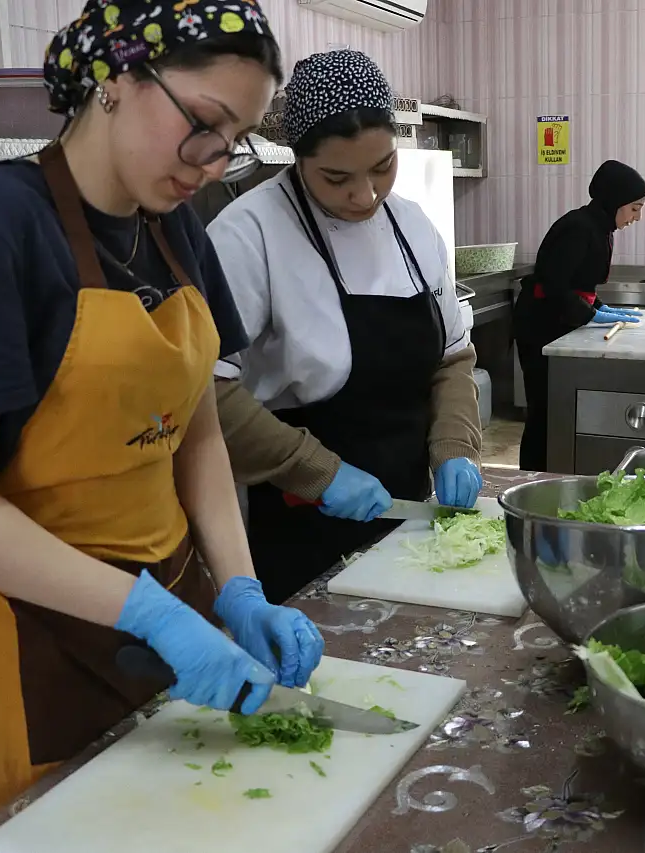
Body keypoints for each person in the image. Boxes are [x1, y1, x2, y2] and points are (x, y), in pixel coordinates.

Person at [0, 1, 323, 832]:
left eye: (232, 142)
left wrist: (236, 585)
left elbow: (194, 425)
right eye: (203, 123)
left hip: (167, 633)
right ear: (119, 77)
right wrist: (147, 610)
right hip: (33, 661)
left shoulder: (174, 231)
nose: (210, 162)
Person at [207, 50, 483, 605]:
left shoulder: (412, 226)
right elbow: (202, 392)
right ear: (297, 157)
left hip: (410, 511)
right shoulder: (248, 234)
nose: (366, 195)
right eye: (336, 178)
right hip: (301, 517)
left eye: (383, 167)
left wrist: (455, 444)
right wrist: (314, 471)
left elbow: (452, 358)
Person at [513, 160, 645, 472]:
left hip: (558, 321)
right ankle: (531, 477)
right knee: (544, 409)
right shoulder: (578, 226)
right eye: (634, 208)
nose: (637, 217)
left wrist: (598, 307)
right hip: (540, 325)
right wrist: (588, 314)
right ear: (614, 200)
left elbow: (579, 284)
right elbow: (554, 284)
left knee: (558, 407)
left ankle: (556, 470)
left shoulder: (600, 226)